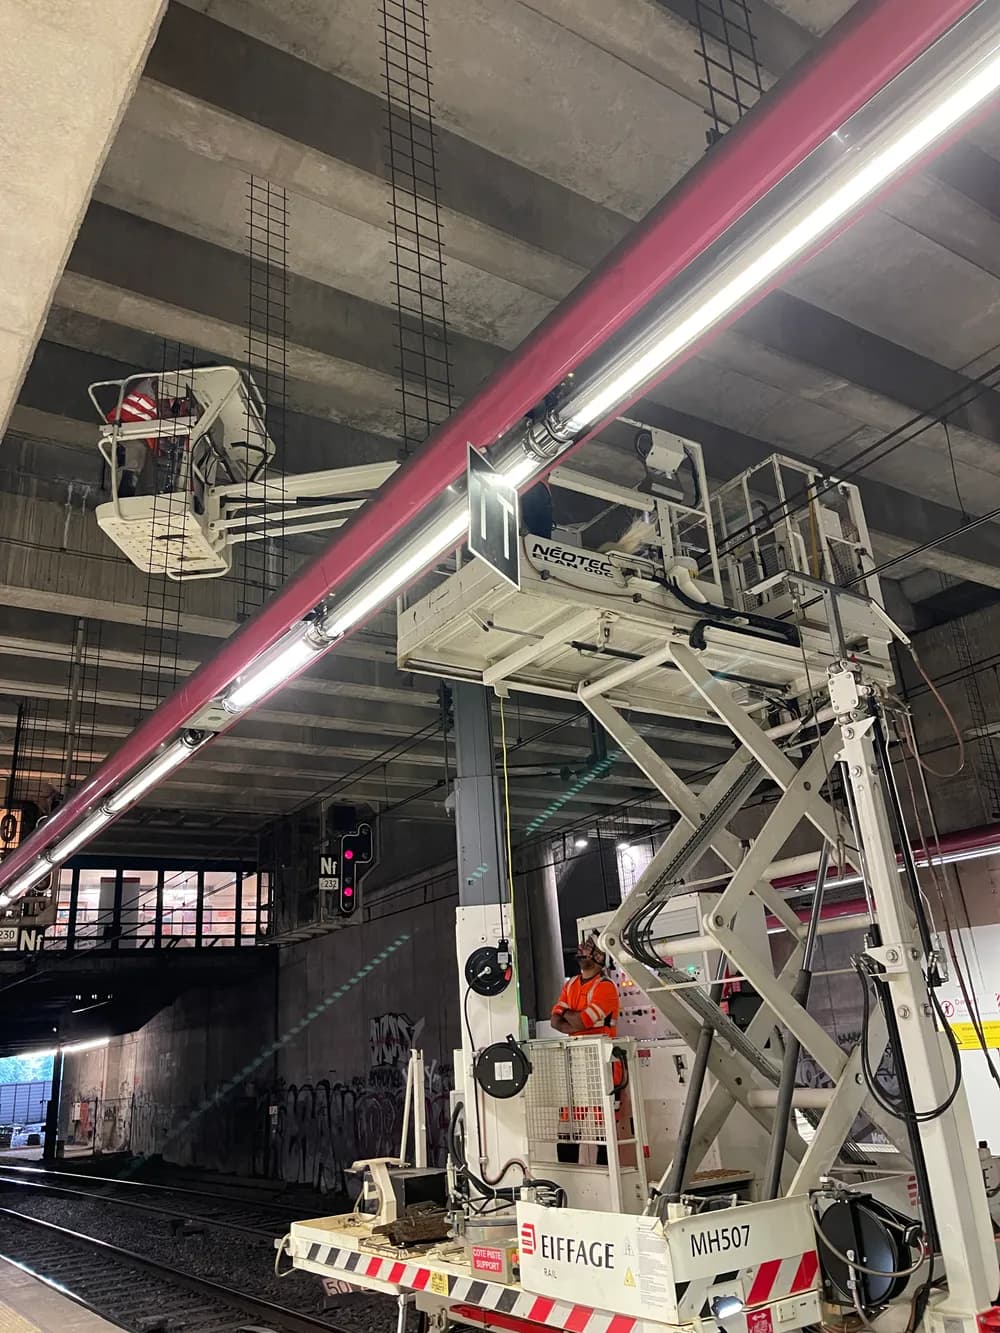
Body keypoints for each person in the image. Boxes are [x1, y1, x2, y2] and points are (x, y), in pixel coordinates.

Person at [551, 935, 619, 1038]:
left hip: (601, 1049)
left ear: (599, 956)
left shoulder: (606, 986)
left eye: (587, 946)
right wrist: (579, 1025)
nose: (580, 947)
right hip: (576, 1048)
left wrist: (563, 1011)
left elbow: (581, 1022)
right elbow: (554, 1022)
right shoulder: (571, 984)